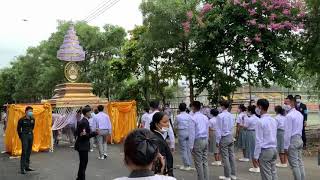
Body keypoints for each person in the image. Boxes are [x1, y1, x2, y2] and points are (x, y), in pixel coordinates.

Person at [254, 99, 278, 180]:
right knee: (273, 172)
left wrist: (255, 155)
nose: (256, 108)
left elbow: (258, 140)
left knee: (266, 176)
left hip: (265, 151)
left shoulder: (260, 122)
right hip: (274, 149)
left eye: (256, 106)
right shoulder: (273, 120)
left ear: (260, 107)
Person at [284, 95, 305, 180]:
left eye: (286, 103)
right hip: (299, 139)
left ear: (292, 102)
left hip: (293, 140)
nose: (285, 105)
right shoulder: (299, 114)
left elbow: (287, 132)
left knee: (294, 165)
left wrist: (285, 146)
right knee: (300, 163)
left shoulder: (289, 116)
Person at [74, 106, 98, 180]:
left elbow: (78, 132)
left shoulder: (83, 121)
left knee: (83, 162)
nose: (91, 113)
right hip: (82, 145)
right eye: (90, 112)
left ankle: (79, 177)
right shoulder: (84, 122)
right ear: (87, 113)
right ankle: (82, 178)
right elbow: (84, 136)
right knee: (84, 163)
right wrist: (95, 133)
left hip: (81, 144)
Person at [216, 100, 237, 180]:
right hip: (230, 136)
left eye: (220, 106)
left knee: (225, 157)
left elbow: (218, 130)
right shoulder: (231, 115)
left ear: (223, 106)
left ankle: (227, 176)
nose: (219, 107)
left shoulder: (220, 116)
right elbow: (232, 126)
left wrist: (217, 141)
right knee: (231, 156)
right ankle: (233, 175)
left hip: (224, 137)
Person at [189, 101, 209, 180]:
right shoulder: (205, 117)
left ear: (193, 107)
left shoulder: (193, 118)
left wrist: (191, 146)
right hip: (205, 139)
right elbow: (207, 130)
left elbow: (192, 133)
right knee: (205, 162)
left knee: (198, 163)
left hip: (198, 141)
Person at [150, 112, 174, 177]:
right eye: (165, 122)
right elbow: (160, 161)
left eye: (168, 122)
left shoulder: (158, 136)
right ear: (157, 124)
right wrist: (165, 174)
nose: (168, 125)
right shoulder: (157, 140)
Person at [17, 106, 36, 174]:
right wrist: (21, 136)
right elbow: (18, 129)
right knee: (24, 151)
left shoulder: (33, 119)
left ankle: (27, 167)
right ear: (26, 111)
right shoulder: (21, 119)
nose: (31, 112)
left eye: (31, 111)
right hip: (24, 136)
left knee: (29, 151)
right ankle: (22, 168)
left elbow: (33, 127)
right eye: (30, 111)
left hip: (31, 135)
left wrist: (30, 133)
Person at [175, 103, 193, 171]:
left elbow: (175, 125)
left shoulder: (178, 117)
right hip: (189, 132)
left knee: (183, 149)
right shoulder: (189, 116)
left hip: (181, 132)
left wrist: (176, 131)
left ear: (179, 109)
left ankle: (186, 165)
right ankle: (189, 163)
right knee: (188, 148)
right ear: (186, 108)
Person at [244, 105, 260, 173]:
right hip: (256, 133)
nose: (246, 111)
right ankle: (259, 165)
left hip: (250, 133)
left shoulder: (249, 119)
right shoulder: (257, 118)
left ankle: (255, 166)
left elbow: (245, 127)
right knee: (257, 149)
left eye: (247, 110)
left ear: (250, 111)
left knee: (252, 150)